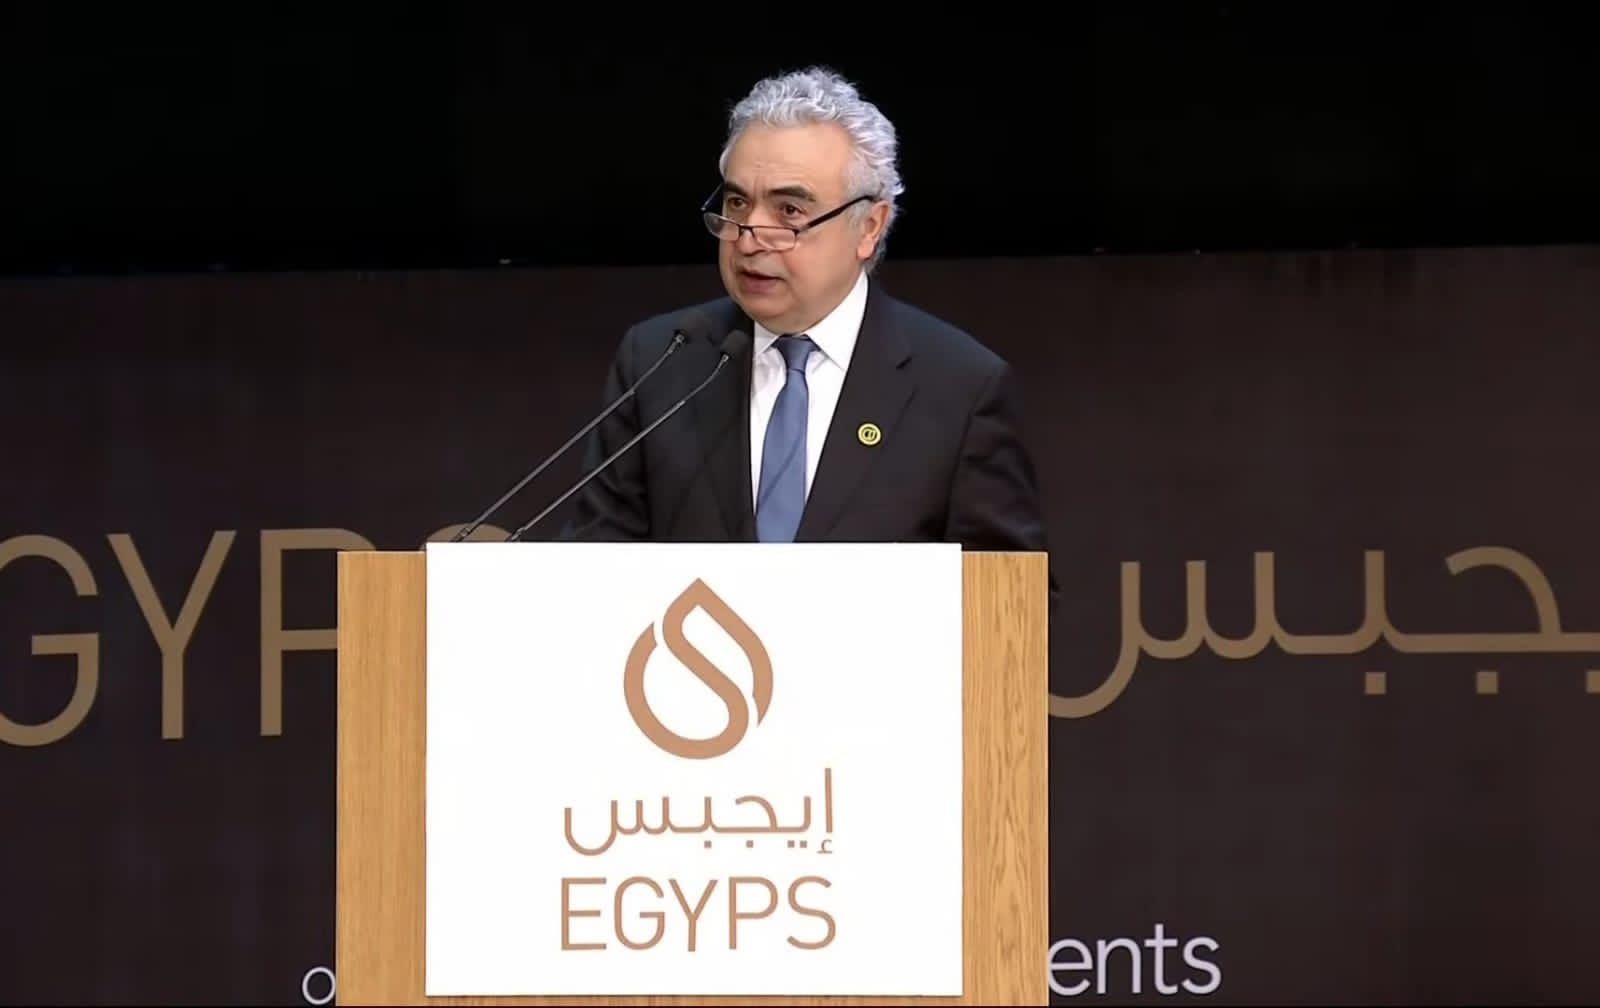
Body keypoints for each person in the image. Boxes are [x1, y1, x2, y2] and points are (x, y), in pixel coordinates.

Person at [566, 66, 1055, 602]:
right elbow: (593, 575)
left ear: (868, 227)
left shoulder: (961, 389)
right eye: (736, 204)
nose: (749, 239)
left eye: (789, 211)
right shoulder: (660, 361)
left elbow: (1011, 608)